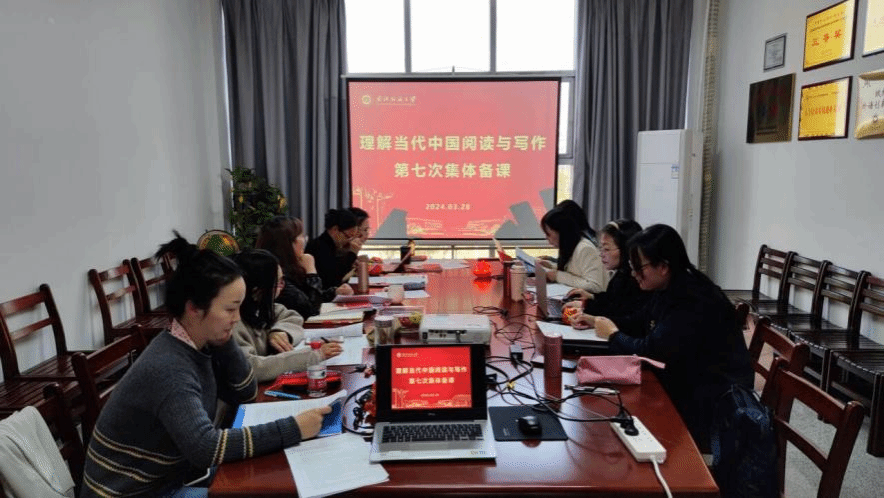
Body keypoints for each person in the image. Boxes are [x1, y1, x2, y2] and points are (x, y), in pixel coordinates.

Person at [81, 233, 331, 498]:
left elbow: (245, 392)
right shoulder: (168, 366)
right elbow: (206, 448)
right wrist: (293, 428)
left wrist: (224, 340)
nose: (237, 318)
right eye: (230, 309)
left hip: (169, 481)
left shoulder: (198, 342)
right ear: (194, 308)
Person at [574, 224, 753, 452]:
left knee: (616, 418)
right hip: (687, 383)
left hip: (713, 405)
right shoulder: (671, 286)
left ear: (663, 267)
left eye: (639, 267)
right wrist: (596, 320)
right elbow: (640, 321)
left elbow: (652, 351)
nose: (633, 274)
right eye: (632, 266)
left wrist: (613, 334)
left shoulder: (692, 300)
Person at [231, 248, 342, 382]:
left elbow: (292, 317)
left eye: (283, 281)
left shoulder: (264, 307)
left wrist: (280, 331)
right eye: (278, 283)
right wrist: (313, 356)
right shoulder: (233, 323)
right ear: (256, 291)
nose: (283, 287)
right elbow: (252, 368)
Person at [256, 216, 352, 319]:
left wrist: (334, 292)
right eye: (301, 236)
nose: (305, 239)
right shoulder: (277, 275)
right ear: (289, 243)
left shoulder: (290, 266)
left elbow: (306, 297)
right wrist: (311, 273)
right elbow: (311, 310)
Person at [566, 219, 649, 327]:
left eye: (606, 249)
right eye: (601, 248)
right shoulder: (621, 273)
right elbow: (612, 301)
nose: (601, 254)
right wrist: (590, 298)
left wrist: (594, 319)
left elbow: (629, 319)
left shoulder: (637, 280)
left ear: (625, 249)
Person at [538, 204, 606, 292]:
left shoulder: (585, 249)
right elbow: (574, 271)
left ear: (561, 232)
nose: (546, 238)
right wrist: (551, 266)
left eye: (548, 234)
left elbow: (594, 286)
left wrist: (557, 276)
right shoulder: (570, 247)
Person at [305, 208, 361, 289]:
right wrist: (352, 254)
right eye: (348, 237)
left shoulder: (331, 245)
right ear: (335, 229)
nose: (350, 241)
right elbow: (333, 279)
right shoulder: (319, 247)